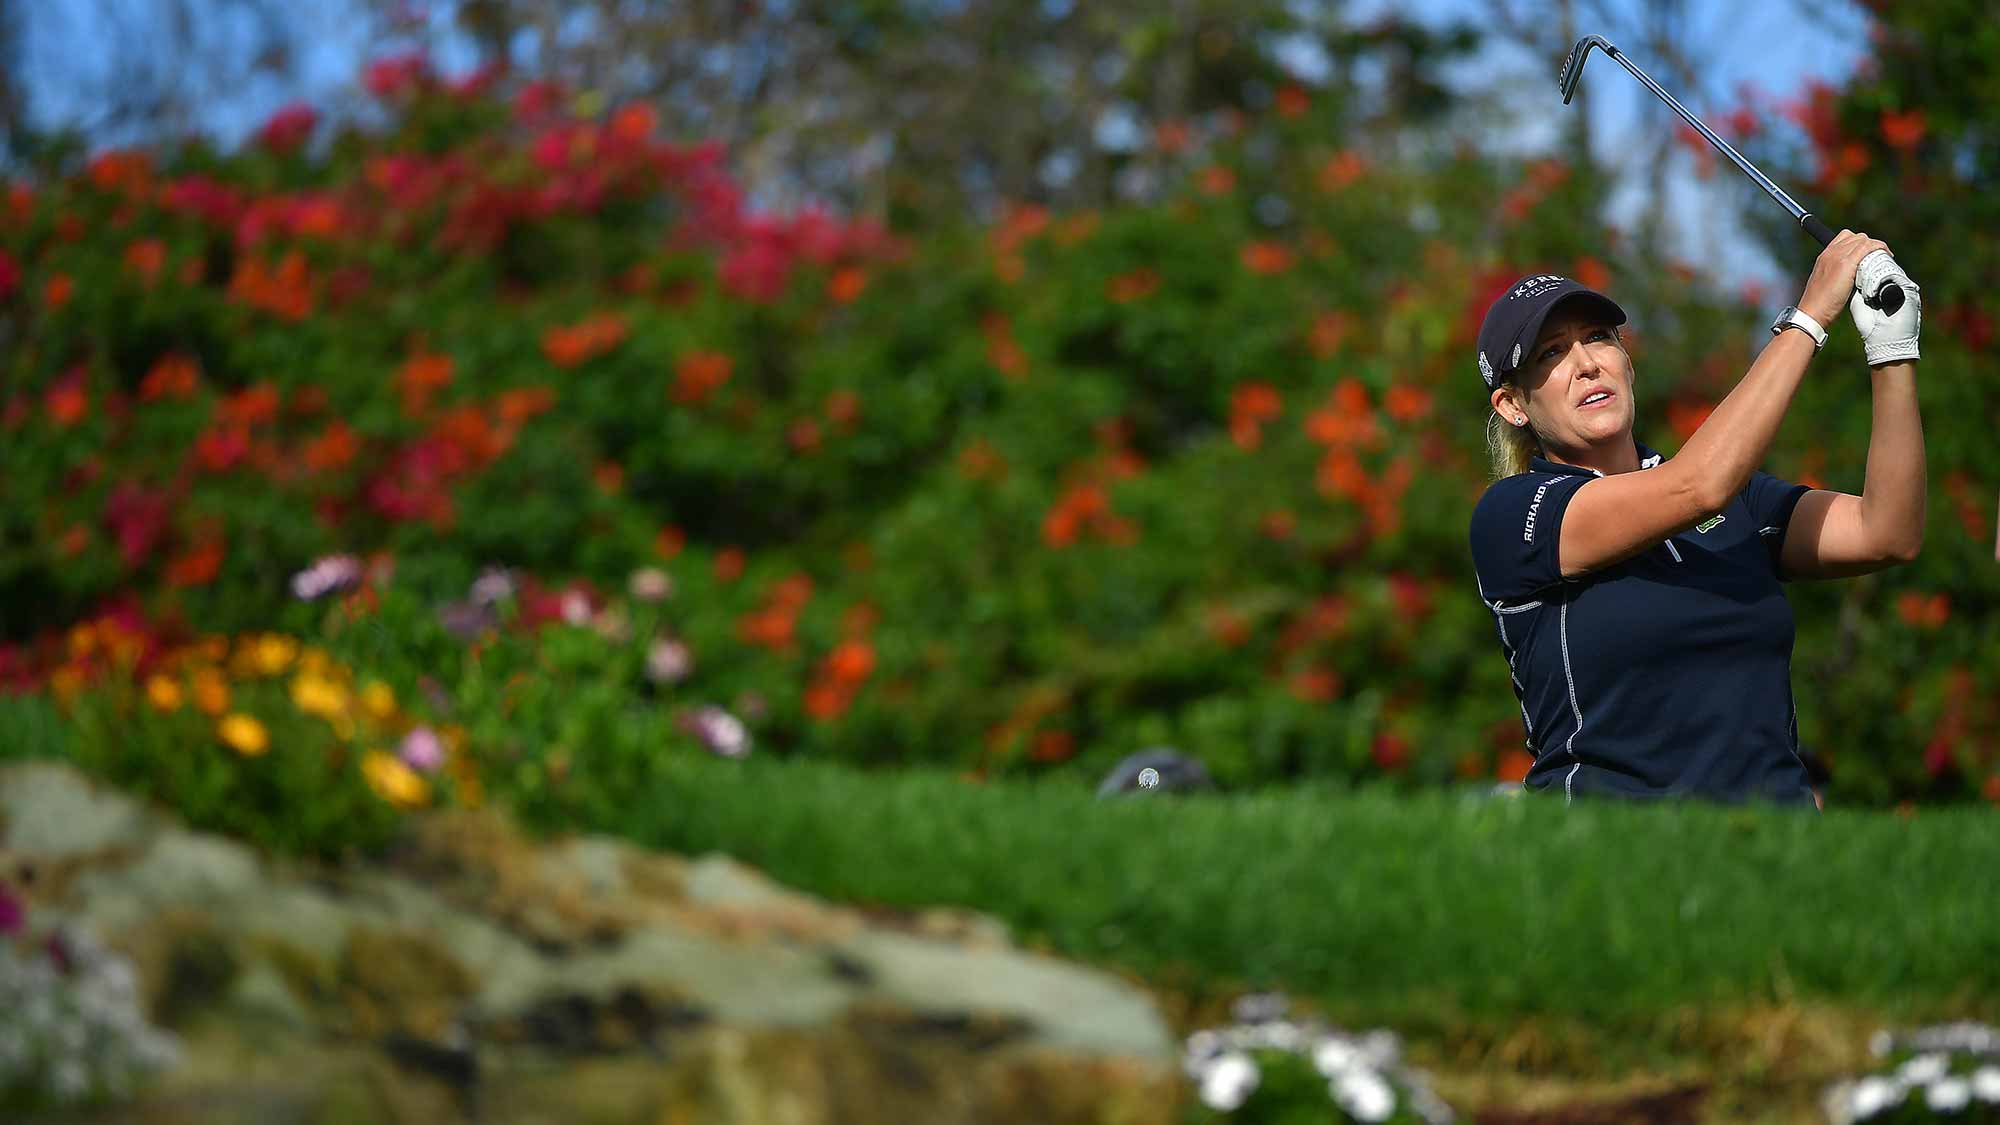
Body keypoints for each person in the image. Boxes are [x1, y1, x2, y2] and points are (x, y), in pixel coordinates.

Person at [1467, 232, 1926, 810]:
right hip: (1614, 853)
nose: (1586, 364)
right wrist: (1809, 318)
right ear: (1513, 405)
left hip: (1774, 850)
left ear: (1625, 362)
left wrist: (1892, 353)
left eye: (1598, 338)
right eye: (1550, 354)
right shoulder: (1515, 514)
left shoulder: (1741, 501)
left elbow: (1887, 533)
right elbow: (1698, 487)